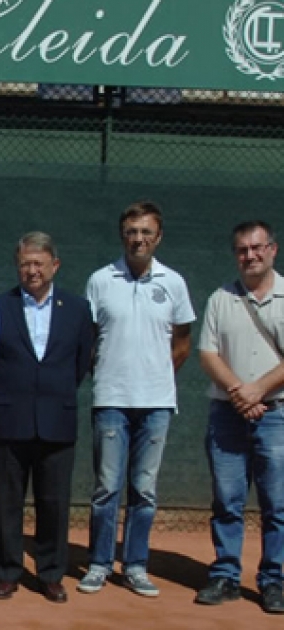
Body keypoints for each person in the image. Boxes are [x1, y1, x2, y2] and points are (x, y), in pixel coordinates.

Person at [79, 201, 195, 597]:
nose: (139, 238)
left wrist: (155, 378)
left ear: (158, 237)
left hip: (158, 404)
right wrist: (113, 376)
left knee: (144, 490)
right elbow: (90, 340)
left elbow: (182, 345)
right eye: (132, 231)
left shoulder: (174, 283)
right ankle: (98, 563)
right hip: (110, 400)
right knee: (106, 488)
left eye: (146, 232)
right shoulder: (100, 280)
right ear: (122, 235)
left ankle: (135, 565)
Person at [0, 232, 94, 604]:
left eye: (39, 264)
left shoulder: (78, 309)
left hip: (57, 420)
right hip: (9, 419)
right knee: (6, 501)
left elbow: (81, 361)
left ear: (55, 266)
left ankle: (50, 574)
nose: (32, 271)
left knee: (54, 502)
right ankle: (6, 573)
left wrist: (52, 392)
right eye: (25, 264)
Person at [195, 220, 284, 614]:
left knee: (277, 504)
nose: (250, 255)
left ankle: (273, 581)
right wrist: (240, 393)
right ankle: (226, 576)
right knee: (227, 500)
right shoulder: (220, 298)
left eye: (257, 248)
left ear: (272, 250)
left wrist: (257, 390)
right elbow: (208, 354)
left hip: (277, 415)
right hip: (227, 415)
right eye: (242, 250)